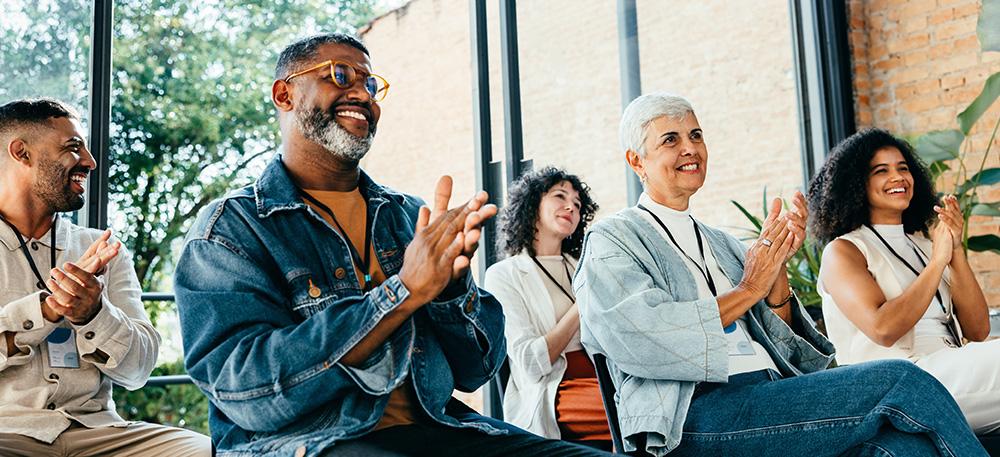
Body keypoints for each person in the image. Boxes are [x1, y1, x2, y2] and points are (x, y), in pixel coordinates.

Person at [174, 33, 613, 457]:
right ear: (284, 95)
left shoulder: (409, 217)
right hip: (305, 444)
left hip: (441, 430)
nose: (363, 95)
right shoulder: (230, 229)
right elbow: (245, 387)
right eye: (339, 76)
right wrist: (402, 293)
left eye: (369, 84)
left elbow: (478, 370)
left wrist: (451, 291)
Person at [574, 92, 987, 456]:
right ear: (636, 161)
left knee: (900, 446)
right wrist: (750, 286)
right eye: (671, 139)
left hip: (766, 393)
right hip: (692, 415)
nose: (691, 149)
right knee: (900, 380)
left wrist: (777, 278)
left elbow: (786, 342)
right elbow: (642, 334)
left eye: (696, 135)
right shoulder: (613, 239)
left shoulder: (723, 243)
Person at [0, 98, 209, 456]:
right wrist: (45, 311)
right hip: (8, 431)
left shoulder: (103, 248)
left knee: (211, 451)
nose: (89, 161)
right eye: (73, 147)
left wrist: (94, 315)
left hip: (100, 433)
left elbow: (139, 369)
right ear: (22, 152)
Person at [809, 128, 999, 435]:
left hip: (951, 368)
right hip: (901, 384)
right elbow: (883, 329)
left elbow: (977, 330)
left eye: (903, 168)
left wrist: (957, 251)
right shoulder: (844, 251)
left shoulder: (924, 244)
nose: (898, 177)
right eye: (881, 171)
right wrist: (939, 261)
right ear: (856, 183)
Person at [484, 167, 610, 449]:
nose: (571, 207)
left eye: (578, 204)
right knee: (640, 413)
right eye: (560, 196)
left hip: (606, 377)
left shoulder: (583, 268)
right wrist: (581, 305)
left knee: (662, 403)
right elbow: (530, 363)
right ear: (532, 205)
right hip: (558, 388)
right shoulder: (504, 275)